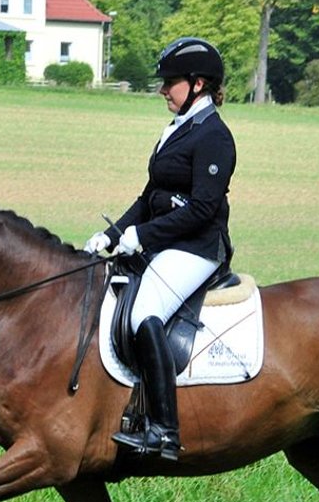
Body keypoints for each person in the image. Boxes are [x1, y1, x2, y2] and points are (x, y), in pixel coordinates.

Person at [84, 36, 237, 461]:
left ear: (199, 84)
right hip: (167, 241)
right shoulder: (178, 128)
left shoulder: (215, 137)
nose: (163, 90)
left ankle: (164, 431)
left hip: (197, 248)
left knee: (142, 313)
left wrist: (144, 237)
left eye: (171, 82)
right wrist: (115, 234)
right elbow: (150, 195)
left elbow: (204, 209)